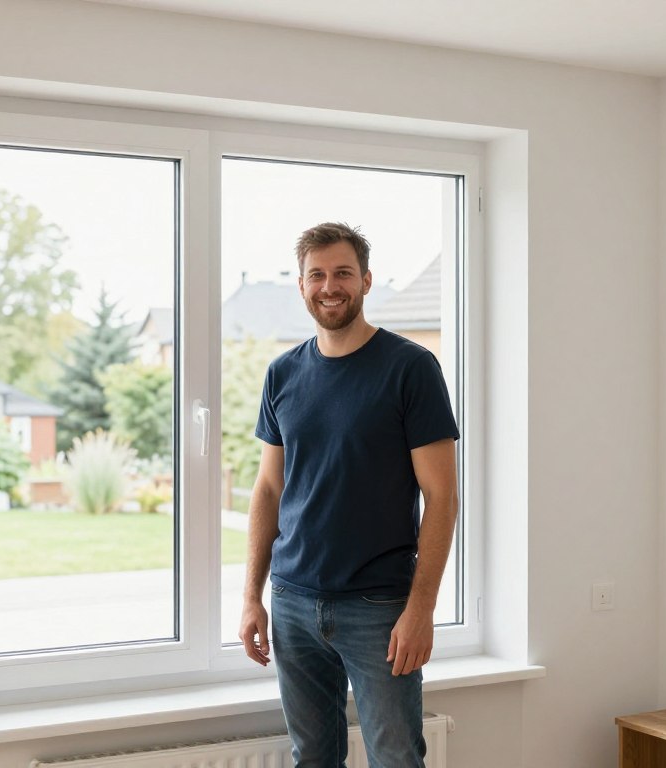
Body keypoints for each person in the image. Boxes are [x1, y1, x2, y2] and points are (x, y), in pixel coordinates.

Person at [238, 222, 460, 768]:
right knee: (312, 759)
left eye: (342, 273)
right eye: (317, 274)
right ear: (300, 285)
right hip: (292, 602)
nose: (329, 286)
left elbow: (442, 497)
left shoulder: (410, 368)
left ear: (365, 281)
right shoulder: (282, 373)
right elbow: (269, 487)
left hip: (379, 608)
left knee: (396, 758)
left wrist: (421, 610)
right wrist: (251, 595)